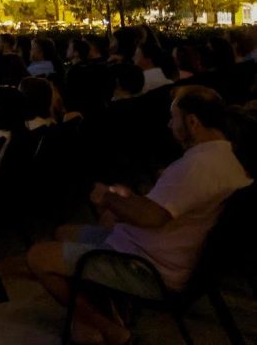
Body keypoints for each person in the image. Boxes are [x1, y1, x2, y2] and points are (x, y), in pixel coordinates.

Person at [27, 86, 252, 345]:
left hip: (147, 267)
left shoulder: (198, 167)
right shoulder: (224, 157)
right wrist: (128, 199)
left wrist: (107, 197)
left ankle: (111, 330)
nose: (169, 124)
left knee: (38, 256)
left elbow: (151, 217)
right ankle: (104, 311)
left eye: (173, 117)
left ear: (193, 122)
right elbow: (162, 210)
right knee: (64, 232)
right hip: (154, 249)